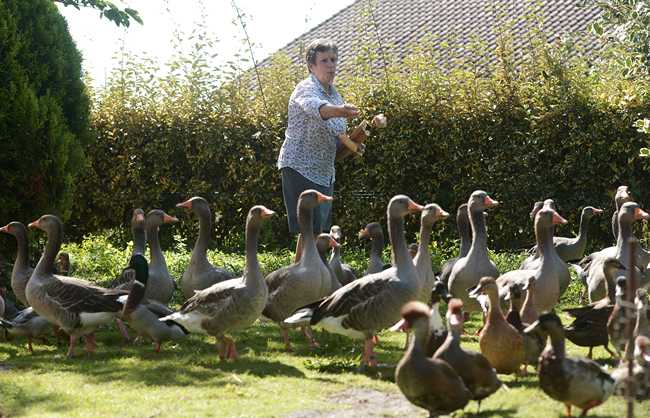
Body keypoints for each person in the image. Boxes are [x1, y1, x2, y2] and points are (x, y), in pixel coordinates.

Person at [277, 39, 360, 261]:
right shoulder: (306, 88)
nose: (331, 65)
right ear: (311, 66)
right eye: (324, 60)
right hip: (299, 167)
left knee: (315, 232)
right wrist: (341, 111)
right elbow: (318, 109)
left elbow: (337, 137)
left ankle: (301, 277)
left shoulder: (334, 93)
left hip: (324, 172)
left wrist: (354, 143)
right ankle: (303, 282)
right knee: (310, 231)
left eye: (333, 60)